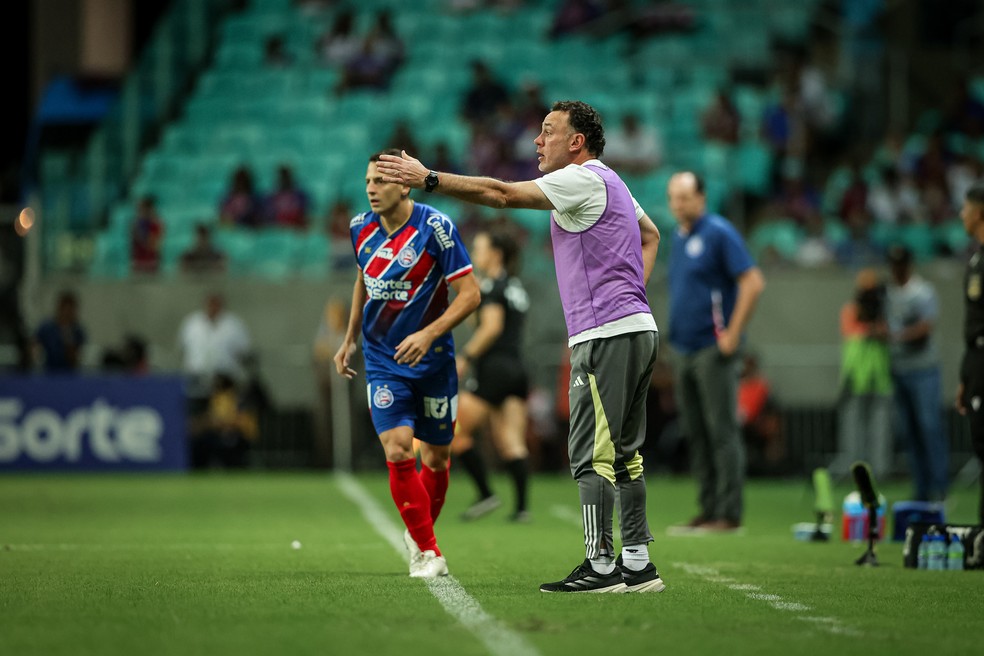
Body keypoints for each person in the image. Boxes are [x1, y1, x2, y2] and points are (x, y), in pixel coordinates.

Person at [376, 100, 665, 594]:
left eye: (548, 132)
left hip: (605, 334)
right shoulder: (612, 181)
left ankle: (600, 568)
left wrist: (428, 179)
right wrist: (631, 293)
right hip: (637, 328)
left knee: (590, 454)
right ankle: (637, 565)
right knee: (625, 455)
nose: (537, 140)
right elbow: (650, 234)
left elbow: (500, 193)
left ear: (576, 142)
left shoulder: (580, 178)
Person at [333, 149, 481, 579]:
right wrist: (348, 339)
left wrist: (429, 333)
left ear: (404, 184)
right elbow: (364, 277)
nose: (371, 190)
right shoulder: (360, 228)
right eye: (367, 182)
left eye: (379, 181)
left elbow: (471, 295)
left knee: (436, 458)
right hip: (383, 359)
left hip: (433, 360)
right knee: (398, 448)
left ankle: (417, 533)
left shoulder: (437, 228)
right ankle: (429, 551)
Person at [665, 172, 765, 533]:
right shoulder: (678, 237)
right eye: (674, 197)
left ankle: (729, 513)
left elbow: (753, 281)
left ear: (702, 198)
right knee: (696, 431)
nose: (678, 204)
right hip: (684, 348)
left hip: (712, 347)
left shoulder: (719, 232)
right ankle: (708, 509)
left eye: (685, 197)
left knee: (721, 431)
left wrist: (733, 333)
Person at [453, 227, 532, 522]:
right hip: (516, 369)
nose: (475, 254)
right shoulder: (514, 287)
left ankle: (486, 493)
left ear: (495, 254)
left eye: (480, 248)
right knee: (511, 440)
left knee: (453, 429)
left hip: (494, 368)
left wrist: (467, 356)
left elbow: (491, 328)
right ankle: (522, 508)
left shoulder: (494, 288)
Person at [885, 244, 947, 501]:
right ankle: (921, 487)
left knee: (929, 426)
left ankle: (939, 487)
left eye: (900, 265)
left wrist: (897, 336)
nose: (897, 270)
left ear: (909, 265)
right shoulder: (888, 293)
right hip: (899, 369)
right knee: (909, 431)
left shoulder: (922, 292)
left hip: (923, 370)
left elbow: (925, 327)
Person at [837, 268, 893, 481]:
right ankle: (854, 470)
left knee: (879, 428)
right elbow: (854, 334)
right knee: (853, 428)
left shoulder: (885, 310)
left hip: (879, 378)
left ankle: (879, 472)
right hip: (855, 377)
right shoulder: (850, 310)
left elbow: (886, 335)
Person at [957, 182, 984, 525]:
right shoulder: (976, 259)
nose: (961, 215)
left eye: (965, 209)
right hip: (978, 360)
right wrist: (967, 375)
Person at [177, 293, 252, 413]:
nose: (213, 308)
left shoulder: (234, 325)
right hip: (196, 377)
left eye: (216, 304)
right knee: (195, 412)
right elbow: (183, 348)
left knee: (223, 414)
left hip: (224, 380)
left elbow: (244, 351)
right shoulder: (192, 323)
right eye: (210, 304)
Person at [34, 290, 86, 373]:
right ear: (59, 309)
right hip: (47, 373)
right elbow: (35, 350)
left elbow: (76, 358)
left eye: (71, 310)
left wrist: (67, 334)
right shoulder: (46, 329)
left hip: (70, 375)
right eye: (65, 309)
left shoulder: (78, 331)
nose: (67, 314)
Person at [131, 195, 163, 273]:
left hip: (150, 261)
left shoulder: (155, 223)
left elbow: (153, 244)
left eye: (141, 208)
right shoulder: (137, 223)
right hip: (138, 260)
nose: (139, 211)